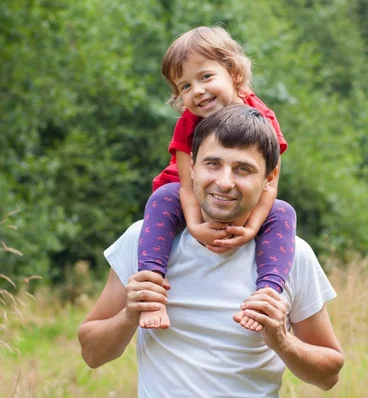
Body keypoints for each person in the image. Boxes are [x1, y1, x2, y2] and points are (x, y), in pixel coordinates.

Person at [78, 105, 344, 397]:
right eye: (213, 164)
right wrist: (130, 314)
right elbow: (92, 353)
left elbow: (329, 374)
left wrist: (282, 340)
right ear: (192, 166)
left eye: (243, 169)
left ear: (270, 177)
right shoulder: (143, 241)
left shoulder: (293, 255)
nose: (225, 181)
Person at [138, 26, 296, 331]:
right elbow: (185, 184)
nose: (196, 90)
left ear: (234, 72)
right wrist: (196, 227)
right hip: (188, 198)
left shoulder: (260, 117)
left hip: (242, 201)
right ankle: (152, 291)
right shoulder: (187, 124)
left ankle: (267, 293)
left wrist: (250, 230)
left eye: (205, 77)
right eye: (184, 86)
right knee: (161, 198)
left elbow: (270, 184)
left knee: (283, 213)